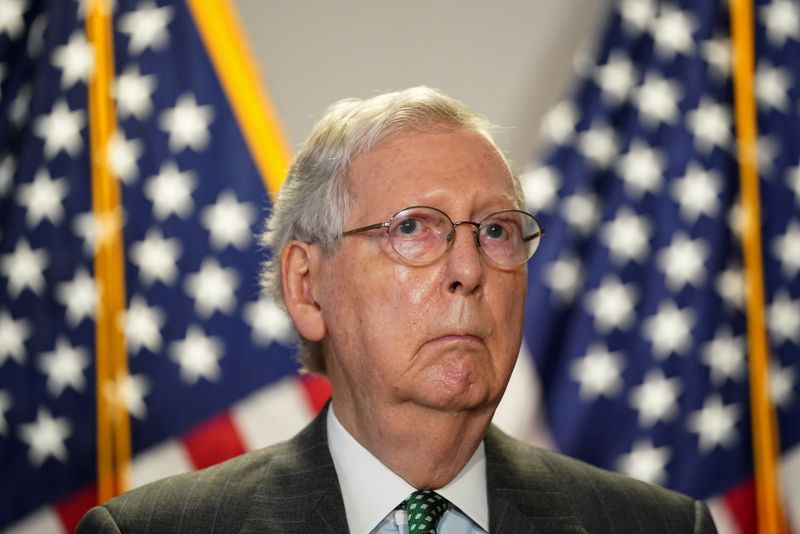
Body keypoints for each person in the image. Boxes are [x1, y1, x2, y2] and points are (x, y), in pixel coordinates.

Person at [77, 87, 717, 533]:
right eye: (413, 228)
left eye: (495, 232)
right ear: (307, 286)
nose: (468, 270)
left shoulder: (658, 527)